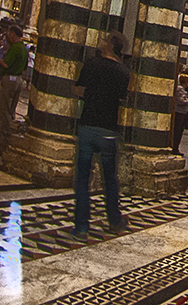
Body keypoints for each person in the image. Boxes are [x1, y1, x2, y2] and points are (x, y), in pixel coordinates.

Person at [72, 31, 129, 238]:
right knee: (110, 180)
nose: (101, 42)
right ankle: (114, 222)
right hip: (108, 130)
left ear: (109, 46)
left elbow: (77, 88)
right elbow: (122, 98)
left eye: (104, 40)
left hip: (88, 126)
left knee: (82, 180)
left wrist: (88, 94)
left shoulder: (92, 64)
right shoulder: (123, 72)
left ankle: (82, 227)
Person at [0, 24, 28, 151]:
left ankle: (3, 140)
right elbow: (25, 67)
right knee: (11, 110)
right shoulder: (24, 48)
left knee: (4, 110)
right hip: (18, 80)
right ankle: (8, 137)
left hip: (9, 81)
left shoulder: (15, 48)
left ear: (12, 34)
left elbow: (6, 64)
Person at [174, 73, 188, 149]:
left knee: (180, 130)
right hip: (180, 111)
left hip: (182, 111)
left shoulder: (182, 89)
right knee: (178, 130)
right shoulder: (180, 89)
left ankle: (176, 146)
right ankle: (175, 147)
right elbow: (180, 100)